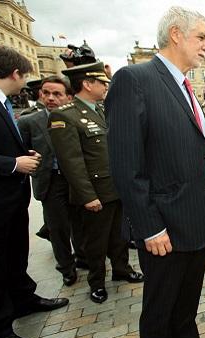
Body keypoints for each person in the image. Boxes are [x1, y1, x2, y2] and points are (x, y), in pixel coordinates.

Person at [106, 6, 205, 338]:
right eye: (202, 37)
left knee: (187, 299)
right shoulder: (135, 79)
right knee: (160, 310)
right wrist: (149, 228)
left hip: (194, 219)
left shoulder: (186, 87)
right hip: (163, 228)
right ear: (176, 34)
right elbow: (126, 165)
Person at [0, 45, 69, 338]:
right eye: (26, 78)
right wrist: (13, 164)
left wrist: (23, 155)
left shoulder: (2, 102)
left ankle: (23, 298)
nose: (27, 85)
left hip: (9, 200)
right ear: (15, 73)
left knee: (14, 253)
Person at [48, 62, 143, 304]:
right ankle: (97, 282)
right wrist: (87, 196)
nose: (106, 86)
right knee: (96, 242)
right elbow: (72, 162)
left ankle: (121, 269)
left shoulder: (101, 110)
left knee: (119, 236)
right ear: (87, 84)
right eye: (102, 82)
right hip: (95, 192)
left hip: (115, 188)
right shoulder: (65, 115)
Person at [18, 76, 88, 286]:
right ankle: (66, 267)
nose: (50, 98)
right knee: (58, 228)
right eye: (46, 93)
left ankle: (83, 257)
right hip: (50, 181)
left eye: (57, 94)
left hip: (75, 180)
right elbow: (20, 151)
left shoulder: (79, 119)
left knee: (81, 222)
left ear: (68, 97)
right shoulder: (29, 122)